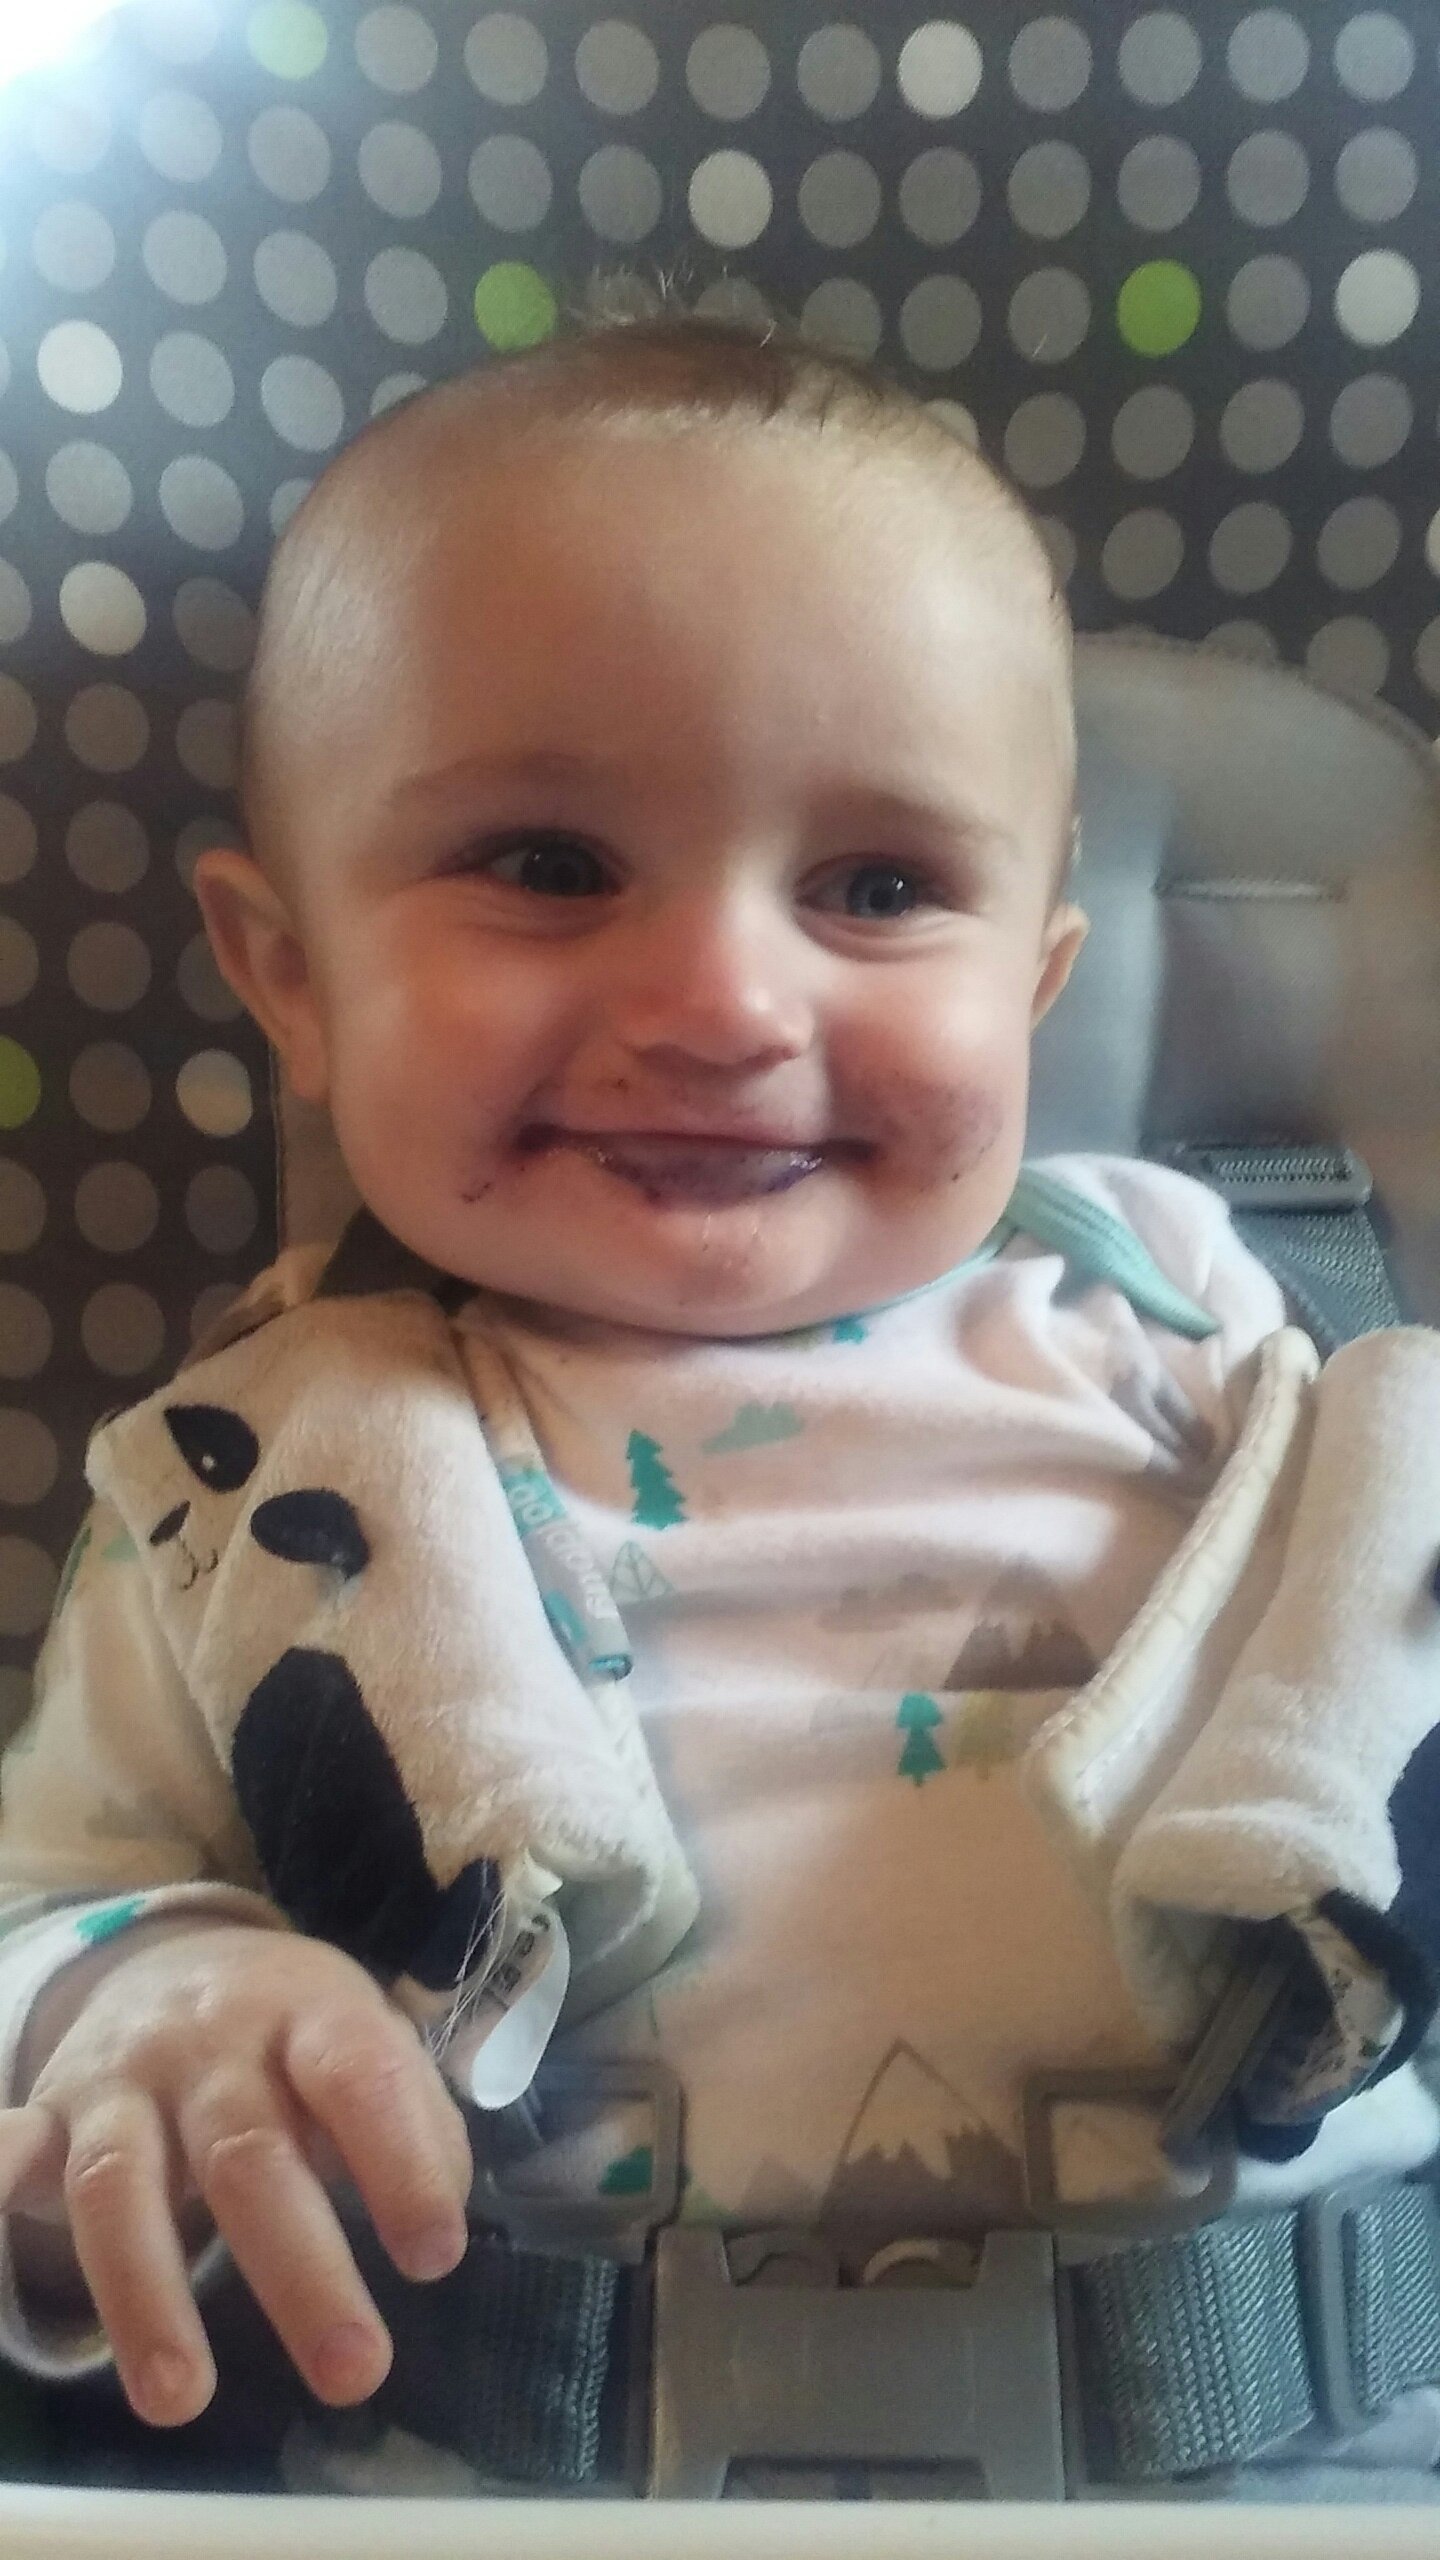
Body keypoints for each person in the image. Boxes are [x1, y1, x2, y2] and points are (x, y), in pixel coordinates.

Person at [0, 309, 1437, 2490]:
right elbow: (49, 1894)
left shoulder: (1245, 1366)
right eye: (547, 864)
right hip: (502, 2491)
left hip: (1308, 2468)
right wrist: (141, 2002)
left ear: (1035, 977)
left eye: (880, 888)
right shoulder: (246, 1484)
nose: (721, 1002)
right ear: (290, 973)